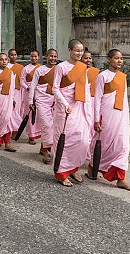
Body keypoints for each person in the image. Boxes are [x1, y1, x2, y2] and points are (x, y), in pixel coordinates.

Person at [88, 49, 130, 191]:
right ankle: (92, 166)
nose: (119, 61)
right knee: (104, 143)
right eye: (116, 58)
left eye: (121, 58)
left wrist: (126, 118)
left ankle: (121, 178)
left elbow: (124, 99)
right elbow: (97, 99)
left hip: (121, 116)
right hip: (106, 115)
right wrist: (96, 120)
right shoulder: (102, 76)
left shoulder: (122, 77)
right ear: (109, 60)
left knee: (123, 145)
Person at [52, 39, 92, 187]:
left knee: (82, 140)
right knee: (64, 141)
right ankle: (62, 173)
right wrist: (65, 103)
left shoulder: (83, 67)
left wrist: (89, 109)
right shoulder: (61, 67)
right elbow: (55, 88)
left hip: (80, 108)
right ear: (69, 50)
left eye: (81, 51)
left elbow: (86, 90)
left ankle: (73, 167)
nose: (79, 53)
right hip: (65, 109)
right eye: (77, 51)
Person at [29, 49, 58, 164]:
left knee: (53, 126)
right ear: (46, 57)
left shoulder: (58, 70)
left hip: (55, 100)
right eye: (50, 56)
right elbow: (33, 86)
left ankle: (43, 146)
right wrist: (31, 101)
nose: (53, 58)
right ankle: (46, 151)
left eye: (55, 56)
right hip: (41, 100)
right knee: (46, 125)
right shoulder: (40, 70)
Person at [21, 50, 41, 145]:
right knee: (29, 114)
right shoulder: (26, 69)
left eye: (36, 56)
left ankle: (38, 133)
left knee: (38, 115)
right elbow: (22, 81)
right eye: (32, 56)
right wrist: (28, 88)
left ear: (39, 57)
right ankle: (31, 136)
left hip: (39, 93)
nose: (34, 58)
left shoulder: (41, 68)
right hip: (28, 93)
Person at [7, 48, 25, 137]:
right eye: (11, 55)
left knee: (17, 110)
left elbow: (22, 80)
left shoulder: (21, 67)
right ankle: (7, 129)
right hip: (8, 91)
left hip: (17, 90)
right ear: (9, 56)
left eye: (15, 55)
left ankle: (15, 130)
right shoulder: (6, 66)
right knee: (8, 110)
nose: (13, 56)